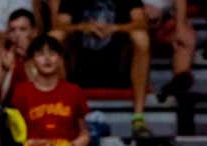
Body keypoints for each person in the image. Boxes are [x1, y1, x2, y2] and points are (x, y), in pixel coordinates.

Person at [57, 0, 153, 137]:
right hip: (80, 67)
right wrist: (81, 27)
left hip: (118, 65)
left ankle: (138, 118)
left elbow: (141, 23)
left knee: (141, 38)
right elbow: (58, 24)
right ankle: (62, 114)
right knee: (55, 37)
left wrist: (115, 28)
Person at [0, 8, 39, 104]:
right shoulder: (4, 57)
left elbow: (43, 92)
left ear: (34, 32)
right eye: (12, 30)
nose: (17, 34)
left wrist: (26, 59)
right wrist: (6, 70)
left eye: (23, 29)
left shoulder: (43, 56)